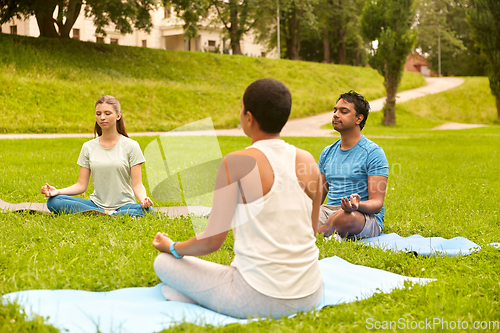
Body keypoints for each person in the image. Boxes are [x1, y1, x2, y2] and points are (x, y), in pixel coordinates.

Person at [153, 79, 323, 319]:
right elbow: (312, 230)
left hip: (257, 296)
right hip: (311, 293)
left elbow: (211, 241)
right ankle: (197, 295)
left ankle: (198, 296)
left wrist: (171, 247)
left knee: (163, 263)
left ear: (249, 117)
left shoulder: (236, 162)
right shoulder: (308, 160)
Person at [40, 95, 153, 218]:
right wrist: (58, 191)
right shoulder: (88, 147)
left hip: (124, 205)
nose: (102, 117)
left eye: (107, 113)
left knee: (148, 211)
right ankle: (109, 214)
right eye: (98, 114)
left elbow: (137, 184)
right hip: (96, 205)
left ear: (118, 116)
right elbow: (81, 185)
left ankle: (107, 214)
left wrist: (144, 200)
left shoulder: (131, 146)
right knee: (54, 201)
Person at [318, 90, 388, 239]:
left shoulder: (373, 153)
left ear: (358, 119)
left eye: (344, 111)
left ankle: (316, 235)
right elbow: (318, 197)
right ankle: (327, 233)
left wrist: (357, 205)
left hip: (361, 215)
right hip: (328, 211)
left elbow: (377, 203)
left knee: (344, 217)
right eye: (335, 110)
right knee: (296, 213)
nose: (336, 114)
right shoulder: (327, 152)